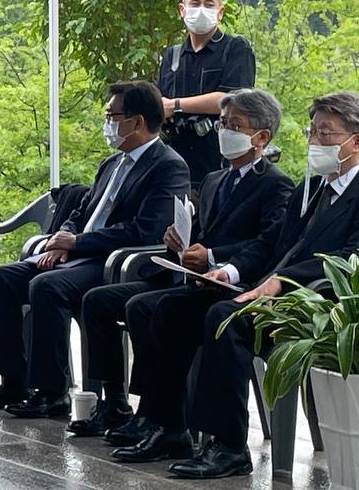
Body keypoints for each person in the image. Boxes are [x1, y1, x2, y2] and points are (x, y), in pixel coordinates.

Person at [147, 91, 359, 480]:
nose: (315, 141)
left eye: (326, 134)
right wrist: (229, 272)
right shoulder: (311, 186)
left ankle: (228, 445)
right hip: (268, 291)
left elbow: (354, 265)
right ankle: (167, 426)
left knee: (224, 319)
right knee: (172, 307)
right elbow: (271, 244)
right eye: (311, 131)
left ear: (357, 141)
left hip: (314, 307)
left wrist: (282, 283)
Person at [75, 89, 293, 455]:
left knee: (163, 310)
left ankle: (178, 425)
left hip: (239, 285)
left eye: (235, 125)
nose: (225, 130)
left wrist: (214, 258)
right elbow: (202, 238)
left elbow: (268, 243)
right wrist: (180, 245)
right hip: (204, 280)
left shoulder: (275, 185)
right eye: (222, 123)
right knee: (142, 306)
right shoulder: (213, 181)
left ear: (262, 137)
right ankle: (158, 418)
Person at [0, 81, 189, 418]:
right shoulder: (112, 164)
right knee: (0, 278)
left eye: (112, 116)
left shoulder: (168, 166)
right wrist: (62, 239)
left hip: (112, 262)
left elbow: (145, 229)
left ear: (138, 122)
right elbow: (80, 212)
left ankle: (52, 390)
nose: (108, 124)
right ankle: (14, 379)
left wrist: (78, 243)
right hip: (78, 254)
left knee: (46, 286)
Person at [157, 0, 256, 191]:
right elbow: (160, 102)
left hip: (218, 163)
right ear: (182, 10)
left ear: (220, 12)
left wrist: (175, 105)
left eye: (209, 4)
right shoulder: (172, 55)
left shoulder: (235, 49)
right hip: (175, 164)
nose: (201, 9)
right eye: (195, 3)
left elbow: (232, 99)